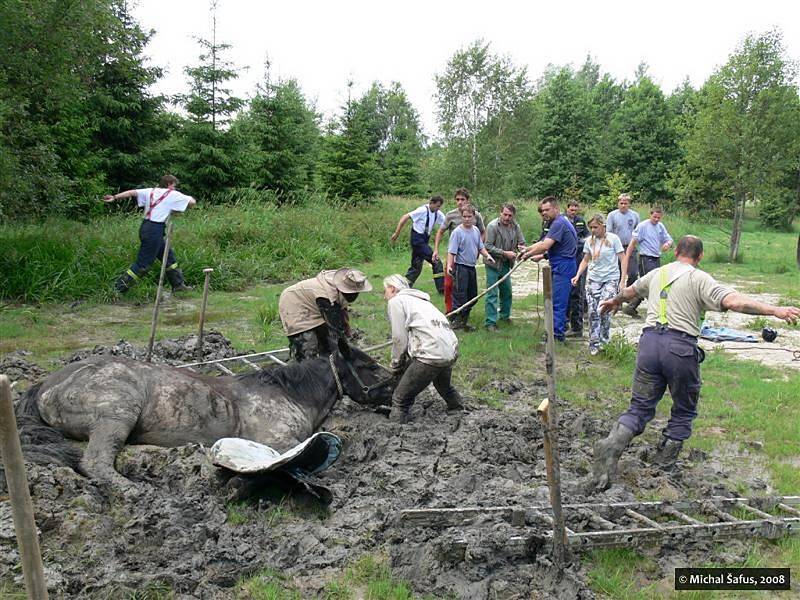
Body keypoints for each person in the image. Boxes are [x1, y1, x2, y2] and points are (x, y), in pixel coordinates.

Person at [589, 235, 800, 491]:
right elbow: (733, 301)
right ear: (699, 257)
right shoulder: (699, 278)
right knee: (684, 409)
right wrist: (774, 310)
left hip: (648, 344)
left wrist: (614, 301)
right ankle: (663, 466)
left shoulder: (658, 273)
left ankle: (611, 446)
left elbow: (631, 291)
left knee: (639, 408)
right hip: (679, 348)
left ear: (676, 251)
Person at [383, 274, 463, 424]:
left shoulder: (396, 301)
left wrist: (395, 364)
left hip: (429, 354)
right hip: (449, 351)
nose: (384, 296)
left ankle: (394, 430)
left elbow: (399, 339)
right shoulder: (423, 302)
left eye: (385, 291)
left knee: (400, 399)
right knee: (444, 386)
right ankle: (457, 409)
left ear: (392, 289)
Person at [103, 175, 196, 294]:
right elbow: (192, 202)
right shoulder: (172, 194)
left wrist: (115, 197)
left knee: (168, 257)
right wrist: (175, 210)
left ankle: (178, 285)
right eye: (174, 185)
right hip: (155, 230)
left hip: (145, 227)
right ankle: (117, 289)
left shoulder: (150, 191)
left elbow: (132, 192)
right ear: (169, 184)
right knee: (143, 265)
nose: (174, 188)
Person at [278, 268, 372, 362]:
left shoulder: (339, 287)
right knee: (308, 345)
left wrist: (346, 333)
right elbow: (335, 328)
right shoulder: (325, 296)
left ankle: (328, 363)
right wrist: (345, 349)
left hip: (314, 303)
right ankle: (307, 368)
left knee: (326, 343)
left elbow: (341, 312)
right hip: (294, 304)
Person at [520, 197, 578, 342]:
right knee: (553, 300)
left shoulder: (559, 223)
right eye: (543, 210)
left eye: (547, 210)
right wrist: (527, 249)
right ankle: (555, 331)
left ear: (556, 209)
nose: (544, 213)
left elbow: (545, 246)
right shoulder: (556, 222)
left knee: (558, 302)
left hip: (564, 265)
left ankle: (556, 336)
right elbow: (542, 242)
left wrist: (527, 255)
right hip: (559, 263)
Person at [571, 215, 627, 355]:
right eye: (591, 228)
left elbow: (623, 259)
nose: (593, 230)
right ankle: (594, 342)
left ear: (603, 226)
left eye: (596, 227)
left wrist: (622, 281)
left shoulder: (614, 239)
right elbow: (585, 260)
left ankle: (604, 341)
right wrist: (578, 275)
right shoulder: (589, 241)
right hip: (593, 279)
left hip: (610, 279)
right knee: (592, 311)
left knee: (604, 308)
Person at [433, 188, 486, 312]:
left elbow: (483, 232)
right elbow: (440, 231)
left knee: (465, 286)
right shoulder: (451, 215)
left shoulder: (475, 215)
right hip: (453, 254)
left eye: (462, 199)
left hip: (467, 255)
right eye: (457, 199)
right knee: (448, 284)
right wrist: (435, 249)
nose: (460, 202)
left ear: (468, 200)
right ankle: (450, 311)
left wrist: (478, 249)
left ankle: (464, 311)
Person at [446, 204, 496, 331]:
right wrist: (449, 266)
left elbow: (480, 247)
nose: (467, 219)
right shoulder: (457, 232)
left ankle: (464, 321)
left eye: (469, 216)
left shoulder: (475, 230)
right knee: (460, 295)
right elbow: (451, 252)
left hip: (471, 267)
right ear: (461, 217)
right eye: (464, 216)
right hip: (460, 267)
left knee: (472, 296)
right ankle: (457, 322)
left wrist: (488, 256)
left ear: (474, 217)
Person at [622, 206, 673, 317]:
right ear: (650, 215)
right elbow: (633, 242)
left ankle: (631, 306)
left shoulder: (660, 226)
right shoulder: (642, 226)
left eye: (658, 217)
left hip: (656, 258)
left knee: (651, 284)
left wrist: (667, 244)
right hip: (645, 258)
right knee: (650, 284)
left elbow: (668, 238)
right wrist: (627, 256)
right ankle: (655, 310)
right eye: (654, 217)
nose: (656, 219)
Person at [484, 203, 526, 332]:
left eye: (510, 215)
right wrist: (504, 253)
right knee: (492, 293)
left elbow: (521, 242)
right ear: (500, 213)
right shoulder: (492, 226)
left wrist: (522, 249)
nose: (507, 217)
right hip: (493, 264)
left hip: (507, 265)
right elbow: (487, 246)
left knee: (507, 292)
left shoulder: (515, 226)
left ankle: (504, 317)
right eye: (505, 214)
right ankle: (490, 322)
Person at [390, 196, 446, 293]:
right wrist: (397, 233)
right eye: (437, 206)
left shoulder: (438, 213)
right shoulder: (422, 210)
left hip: (425, 240)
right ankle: (442, 289)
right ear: (431, 203)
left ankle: (403, 287)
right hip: (417, 240)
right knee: (436, 261)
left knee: (416, 267)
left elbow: (447, 223)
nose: (438, 209)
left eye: (439, 207)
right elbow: (405, 217)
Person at [566, 200, 590, 336]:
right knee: (566, 290)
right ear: (567, 209)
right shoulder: (562, 220)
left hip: (579, 257)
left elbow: (587, 235)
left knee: (578, 291)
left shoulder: (580, 221)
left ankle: (577, 326)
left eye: (576, 209)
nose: (573, 211)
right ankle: (565, 321)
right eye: (571, 209)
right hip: (566, 257)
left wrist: (583, 241)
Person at [606, 193, 640, 287]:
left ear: (629, 204)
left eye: (625, 203)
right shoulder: (612, 215)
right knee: (618, 273)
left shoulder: (635, 215)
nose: (623, 205)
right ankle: (617, 296)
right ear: (618, 203)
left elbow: (638, 231)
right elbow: (608, 232)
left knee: (633, 273)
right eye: (621, 203)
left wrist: (635, 242)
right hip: (616, 248)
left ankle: (629, 294)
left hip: (630, 247)